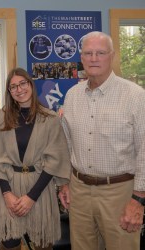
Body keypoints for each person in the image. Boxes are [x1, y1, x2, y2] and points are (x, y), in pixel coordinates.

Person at [59, 31, 145, 250]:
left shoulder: (135, 96)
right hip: (79, 192)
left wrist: (139, 200)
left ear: (112, 56)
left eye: (100, 53)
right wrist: (65, 183)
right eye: (88, 53)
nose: (94, 58)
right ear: (81, 57)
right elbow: (66, 144)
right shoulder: (72, 95)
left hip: (119, 193)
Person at [0, 67, 71, 250]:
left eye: (23, 83)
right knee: (9, 242)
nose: (19, 89)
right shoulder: (2, 116)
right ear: (9, 92)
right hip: (9, 188)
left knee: (42, 243)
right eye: (13, 87)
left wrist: (31, 197)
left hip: (39, 190)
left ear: (31, 84)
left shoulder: (50, 118)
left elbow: (54, 160)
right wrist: (7, 194)